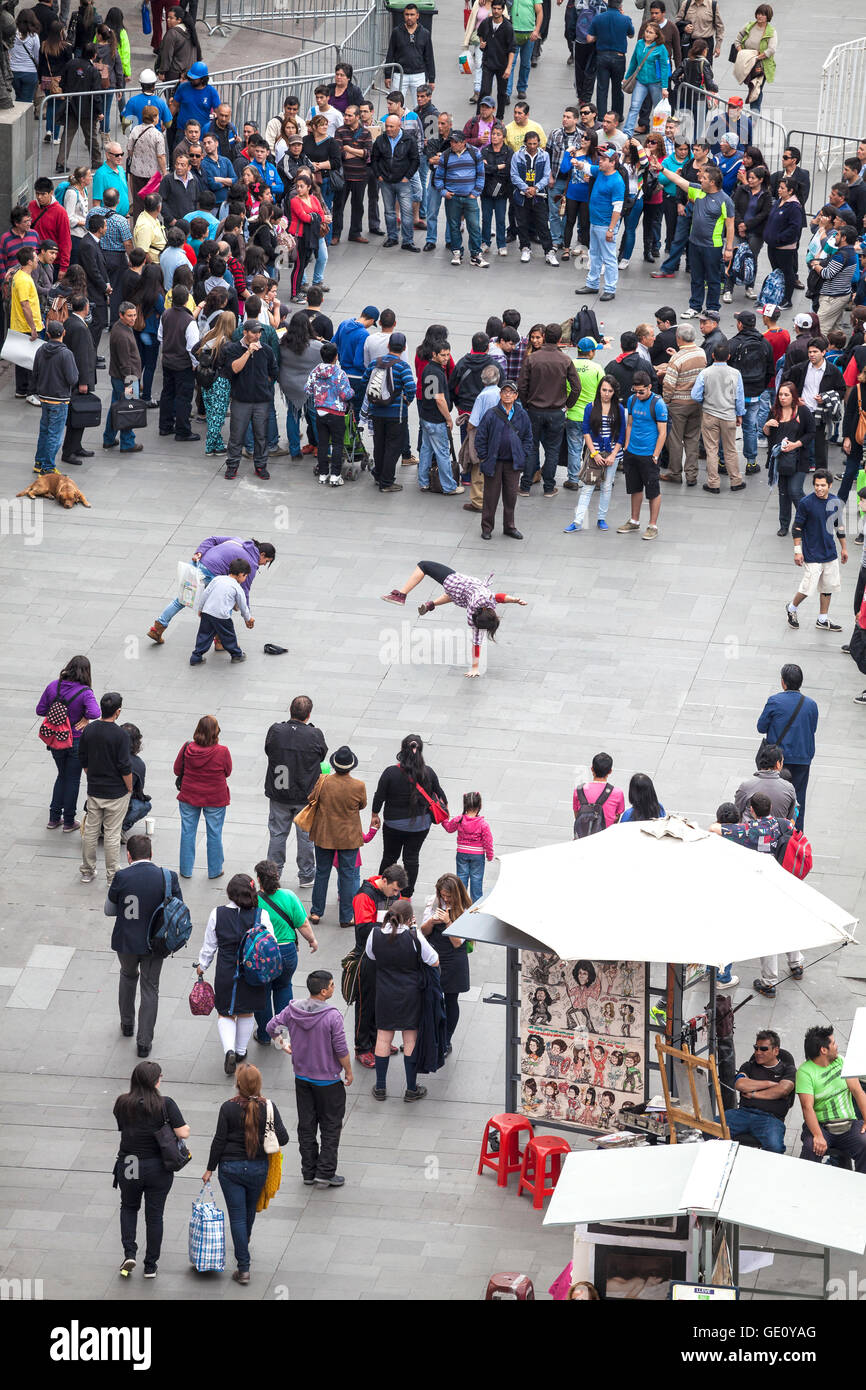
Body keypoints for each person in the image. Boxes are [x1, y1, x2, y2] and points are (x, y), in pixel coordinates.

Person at [201, 1063, 289, 1284]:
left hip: (230, 1169)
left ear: (238, 1084)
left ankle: (244, 1268)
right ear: (259, 1084)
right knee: (249, 1212)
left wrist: (210, 1168)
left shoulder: (228, 1107)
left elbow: (219, 1140)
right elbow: (284, 1138)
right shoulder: (268, 1106)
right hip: (258, 1168)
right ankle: (244, 1242)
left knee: (237, 1217)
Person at [264, 970, 351, 1190]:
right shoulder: (332, 1016)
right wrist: (348, 1070)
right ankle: (325, 1172)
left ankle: (309, 1171)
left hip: (302, 1078)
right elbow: (340, 1049)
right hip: (328, 1081)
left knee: (307, 1125)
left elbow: (271, 1027)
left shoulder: (293, 1010)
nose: (333, 988)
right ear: (323, 991)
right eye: (332, 985)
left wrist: (282, 1044)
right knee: (331, 1125)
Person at [381, 561, 526, 678]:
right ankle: (432, 604)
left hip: (455, 583)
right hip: (460, 598)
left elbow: (499, 597)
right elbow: (476, 644)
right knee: (453, 594)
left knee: (424, 565)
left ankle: (401, 595)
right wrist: (475, 668)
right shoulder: (473, 619)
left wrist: (515, 600)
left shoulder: (484, 598)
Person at [106, 834, 180, 1057]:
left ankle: (127, 1024)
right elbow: (178, 909)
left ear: (128, 856)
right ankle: (144, 1043)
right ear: (151, 854)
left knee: (127, 977)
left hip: (126, 942)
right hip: (155, 945)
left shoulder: (121, 876)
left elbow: (109, 910)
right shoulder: (168, 877)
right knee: (150, 988)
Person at [113, 1061, 189, 1279]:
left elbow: (123, 1127)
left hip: (129, 1162)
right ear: (156, 1081)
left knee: (128, 1207)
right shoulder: (166, 1104)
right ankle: (150, 1265)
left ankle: (129, 1253)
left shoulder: (122, 1103)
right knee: (154, 1216)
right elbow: (183, 1133)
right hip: (158, 1165)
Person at [195, 876, 278, 1075]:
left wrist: (202, 966)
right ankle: (241, 1051)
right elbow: (271, 941)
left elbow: (210, 945)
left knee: (225, 1012)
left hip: (226, 971)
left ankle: (229, 1050)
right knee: (247, 1011)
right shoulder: (261, 914)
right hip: (253, 973)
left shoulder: (217, 914)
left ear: (230, 893)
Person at [366, 897, 439, 1102]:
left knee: (383, 1037)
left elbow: (371, 956)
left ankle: (380, 1087)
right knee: (410, 1039)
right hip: (410, 993)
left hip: (385, 992)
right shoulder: (414, 937)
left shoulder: (374, 934)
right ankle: (411, 1088)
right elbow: (434, 960)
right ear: (409, 919)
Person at [370, 733, 447, 896]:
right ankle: (406, 895)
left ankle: (382, 890)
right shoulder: (429, 773)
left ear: (402, 750)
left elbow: (379, 796)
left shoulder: (390, 772)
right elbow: (442, 797)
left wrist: (375, 814)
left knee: (390, 857)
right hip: (420, 825)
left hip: (393, 824)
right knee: (412, 858)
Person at [252, 859, 318, 1046]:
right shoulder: (289, 896)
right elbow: (303, 923)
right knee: (283, 987)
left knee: (262, 993)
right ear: (277, 877)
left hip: (262, 954)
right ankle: (281, 1033)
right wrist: (312, 940)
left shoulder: (254, 900)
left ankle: (265, 1035)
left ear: (259, 879)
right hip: (287, 953)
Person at [263, 695, 327, 887]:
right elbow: (322, 754)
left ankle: (273, 875)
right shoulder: (314, 734)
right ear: (308, 715)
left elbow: (268, 749)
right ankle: (306, 875)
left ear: (290, 709)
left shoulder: (276, 730)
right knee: (306, 836)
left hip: (279, 792)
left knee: (277, 834)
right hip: (305, 794)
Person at [36, 655, 100, 833]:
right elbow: (95, 712)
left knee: (61, 775)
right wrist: (85, 717)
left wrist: (57, 713)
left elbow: (40, 710)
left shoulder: (53, 686)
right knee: (72, 779)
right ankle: (69, 821)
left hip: (56, 739)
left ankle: (53, 818)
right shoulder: (85, 692)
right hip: (76, 740)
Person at [517, 322, 579, 496]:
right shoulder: (565, 360)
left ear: (544, 337)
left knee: (531, 447)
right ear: (560, 339)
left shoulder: (532, 358)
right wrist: (568, 404)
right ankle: (549, 488)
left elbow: (521, 386)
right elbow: (576, 388)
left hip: (534, 410)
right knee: (552, 450)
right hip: (556, 411)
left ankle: (525, 486)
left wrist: (527, 403)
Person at [78, 691, 133, 886]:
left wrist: (91, 774)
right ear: (117, 712)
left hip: (94, 790)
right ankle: (112, 876)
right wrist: (129, 788)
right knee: (112, 834)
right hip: (116, 792)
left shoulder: (89, 730)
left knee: (91, 831)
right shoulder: (121, 735)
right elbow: (125, 767)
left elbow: (83, 758)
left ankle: (87, 870)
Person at [796, 1025, 866, 1173]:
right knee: (811, 1147)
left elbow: (858, 1091)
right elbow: (807, 1107)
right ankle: (804, 1184)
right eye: (833, 1043)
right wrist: (818, 1135)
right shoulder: (805, 1072)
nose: (837, 1046)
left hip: (849, 1125)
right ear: (823, 1050)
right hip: (822, 1126)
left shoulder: (841, 1061)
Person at [756, 666, 817, 832]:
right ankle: (796, 836)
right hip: (802, 758)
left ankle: (772, 832)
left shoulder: (775, 701)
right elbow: (813, 728)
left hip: (778, 759)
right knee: (798, 799)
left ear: (783, 682)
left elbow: (761, 727)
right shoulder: (811, 704)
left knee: (773, 796)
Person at [786, 469, 848, 634]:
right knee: (808, 588)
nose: (819, 488)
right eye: (816, 485)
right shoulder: (806, 503)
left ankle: (822, 619)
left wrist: (844, 548)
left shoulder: (835, 502)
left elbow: (839, 526)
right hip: (812, 553)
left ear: (830, 485)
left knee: (828, 587)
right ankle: (792, 608)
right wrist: (797, 551)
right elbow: (797, 528)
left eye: (822, 485)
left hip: (830, 552)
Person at [565, 371, 626, 532]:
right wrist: (594, 453)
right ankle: (578, 521)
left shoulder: (619, 409)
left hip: (613, 455)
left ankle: (601, 518)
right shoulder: (590, 407)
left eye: (610, 391)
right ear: (599, 389)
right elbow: (586, 431)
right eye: (604, 390)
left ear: (614, 392)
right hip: (595, 455)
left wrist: (613, 455)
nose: (606, 394)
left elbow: (621, 434)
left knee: (607, 486)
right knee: (588, 486)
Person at [173, 714, 231, 879]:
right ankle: (215, 870)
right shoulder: (223, 751)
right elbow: (228, 772)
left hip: (189, 795)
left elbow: (177, 770)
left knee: (187, 832)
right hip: (215, 797)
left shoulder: (187, 748)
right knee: (214, 833)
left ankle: (186, 870)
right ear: (216, 732)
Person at [420, 874, 472, 1055]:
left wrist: (448, 922)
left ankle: (446, 1040)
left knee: (450, 1000)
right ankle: (429, 1037)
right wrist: (431, 921)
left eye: (449, 896)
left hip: (454, 960)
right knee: (430, 999)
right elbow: (423, 932)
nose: (446, 899)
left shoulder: (466, 910)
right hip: (435, 956)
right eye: (443, 895)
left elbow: (458, 942)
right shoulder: (433, 904)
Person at [476, 378, 533, 539]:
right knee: (490, 497)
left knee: (511, 497)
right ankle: (487, 528)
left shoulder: (522, 414)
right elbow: (481, 437)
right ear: (500, 394)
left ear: (516, 396)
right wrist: (484, 457)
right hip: (493, 462)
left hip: (513, 463)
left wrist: (523, 453)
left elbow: (528, 437)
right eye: (504, 392)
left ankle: (509, 526)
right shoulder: (491, 414)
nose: (507, 395)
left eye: (511, 392)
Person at [361, 332, 416, 493]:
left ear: (388, 346)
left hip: (376, 412)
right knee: (393, 447)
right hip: (396, 414)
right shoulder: (402, 366)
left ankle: (378, 474)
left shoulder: (375, 363)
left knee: (379, 444)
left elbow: (365, 381)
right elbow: (411, 387)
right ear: (404, 347)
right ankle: (386, 482)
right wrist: (407, 400)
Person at [724, 1031, 796, 1153]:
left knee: (775, 1147)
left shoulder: (788, 1069)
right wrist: (768, 1083)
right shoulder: (749, 1066)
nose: (758, 1052)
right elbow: (740, 1084)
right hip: (742, 1114)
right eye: (756, 1048)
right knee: (710, 1129)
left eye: (763, 1049)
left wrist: (753, 1094)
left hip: (770, 1118)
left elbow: (783, 1090)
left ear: (776, 1051)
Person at [617, 370, 667, 540]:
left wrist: (655, 455)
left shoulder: (658, 404)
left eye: (641, 391)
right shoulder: (632, 401)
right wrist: (626, 446)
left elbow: (662, 433)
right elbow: (630, 424)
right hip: (632, 452)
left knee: (653, 491)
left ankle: (652, 525)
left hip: (649, 454)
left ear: (650, 387)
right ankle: (634, 520)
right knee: (634, 488)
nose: (637, 394)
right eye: (635, 391)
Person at [691, 341, 746, 493]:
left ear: (713, 355)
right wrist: (739, 414)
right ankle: (736, 480)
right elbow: (739, 397)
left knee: (711, 450)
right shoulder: (735, 373)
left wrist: (706, 400)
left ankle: (713, 483)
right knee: (730, 449)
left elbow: (695, 395)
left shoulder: (705, 373)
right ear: (728, 356)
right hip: (728, 415)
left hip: (709, 414)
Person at [786, 336, 846, 470]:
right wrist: (795, 398)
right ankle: (800, 468)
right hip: (802, 412)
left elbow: (841, 390)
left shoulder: (832, 370)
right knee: (800, 442)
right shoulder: (800, 368)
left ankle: (821, 473)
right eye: (809, 352)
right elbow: (787, 384)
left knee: (820, 445)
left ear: (824, 352)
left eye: (815, 352)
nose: (811, 355)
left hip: (821, 414)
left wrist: (825, 398)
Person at [766, 381, 814, 538]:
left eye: (786, 394)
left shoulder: (803, 411)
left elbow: (811, 432)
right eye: (780, 394)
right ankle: (784, 525)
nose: (782, 397)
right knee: (783, 493)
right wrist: (766, 426)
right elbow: (769, 436)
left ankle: (808, 519)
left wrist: (796, 445)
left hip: (799, 458)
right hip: (780, 460)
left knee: (795, 490)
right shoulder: (774, 412)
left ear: (793, 396)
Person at [30, 320, 79, 475]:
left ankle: (39, 462)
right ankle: (48, 468)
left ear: (48, 334)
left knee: (44, 431)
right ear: (63, 333)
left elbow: (35, 372)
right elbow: (72, 379)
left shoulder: (40, 350)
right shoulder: (66, 354)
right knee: (55, 435)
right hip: (59, 400)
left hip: (44, 397)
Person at [659, 323, 705, 486]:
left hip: (678, 404)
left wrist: (666, 401)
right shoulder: (701, 353)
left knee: (675, 439)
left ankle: (675, 473)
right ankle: (692, 475)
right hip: (696, 403)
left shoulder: (676, 359)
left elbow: (669, 384)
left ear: (678, 338)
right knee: (692, 439)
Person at [579, 144, 625, 301]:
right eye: (600, 158)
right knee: (595, 254)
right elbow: (586, 167)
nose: (600, 161)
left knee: (609, 257)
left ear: (613, 162)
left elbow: (618, 208)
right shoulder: (600, 171)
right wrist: (577, 162)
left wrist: (611, 229)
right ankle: (592, 284)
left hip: (605, 224)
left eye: (604, 159)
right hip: (595, 222)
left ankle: (610, 288)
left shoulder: (617, 181)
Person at [304, 340, 353, 484]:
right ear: (336, 357)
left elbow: (307, 389)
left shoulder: (315, 371)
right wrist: (352, 391)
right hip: (336, 413)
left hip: (320, 412)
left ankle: (323, 474)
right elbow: (346, 395)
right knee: (337, 444)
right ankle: (335, 475)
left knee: (323, 444)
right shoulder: (340, 373)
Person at [190, 558, 254, 665]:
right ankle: (237, 655)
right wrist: (248, 618)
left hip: (207, 612)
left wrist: (200, 609)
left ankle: (196, 657)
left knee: (204, 635)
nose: (245, 578)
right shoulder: (237, 588)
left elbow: (205, 594)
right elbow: (243, 606)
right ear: (241, 574)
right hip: (221, 616)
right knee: (229, 636)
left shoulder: (217, 579)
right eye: (246, 576)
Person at [371, 113, 420, 252]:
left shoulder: (409, 140)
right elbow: (374, 159)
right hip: (386, 182)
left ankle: (408, 241)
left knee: (407, 212)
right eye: (387, 126)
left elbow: (415, 160)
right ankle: (392, 237)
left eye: (391, 126)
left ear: (399, 126)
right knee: (389, 212)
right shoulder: (380, 140)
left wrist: (407, 177)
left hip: (403, 182)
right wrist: (379, 176)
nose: (388, 129)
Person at [563, 336, 606, 490]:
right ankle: (593, 479)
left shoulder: (570, 364)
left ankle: (573, 480)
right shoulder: (597, 368)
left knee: (574, 448)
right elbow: (604, 390)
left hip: (573, 414)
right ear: (591, 352)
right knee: (593, 448)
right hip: (592, 415)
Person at [511, 130, 556, 265]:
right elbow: (514, 175)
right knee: (522, 223)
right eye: (529, 143)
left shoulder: (545, 156)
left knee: (542, 223)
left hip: (539, 196)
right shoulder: (517, 156)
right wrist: (525, 188)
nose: (532, 146)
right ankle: (525, 248)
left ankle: (549, 251)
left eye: (535, 144)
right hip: (521, 195)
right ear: (525, 143)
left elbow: (546, 175)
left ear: (538, 143)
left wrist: (535, 188)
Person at [621, 21, 670, 139]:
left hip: (656, 83)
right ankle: (627, 132)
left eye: (650, 32)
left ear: (656, 35)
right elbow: (634, 62)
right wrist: (627, 77)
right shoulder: (639, 44)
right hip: (641, 81)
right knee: (634, 106)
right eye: (646, 31)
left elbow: (664, 68)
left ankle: (661, 134)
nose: (647, 34)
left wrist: (664, 87)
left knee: (659, 109)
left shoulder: (661, 48)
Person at [587, 0, 634, 121]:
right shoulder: (625, 19)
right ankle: (617, 115)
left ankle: (602, 116)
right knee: (617, 88)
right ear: (620, 5)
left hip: (602, 56)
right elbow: (631, 34)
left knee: (602, 88)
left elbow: (589, 38)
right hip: (618, 57)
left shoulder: (598, 18)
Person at [442, 792, 494, 901]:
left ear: (465, 805)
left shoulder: (459, 819)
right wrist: (489, 855)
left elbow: (449, 828)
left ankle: (460, 905)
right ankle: (475, 905)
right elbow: (488, 841)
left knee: (461, 880)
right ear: (480, 806)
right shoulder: (483, 824)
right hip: (477, 856)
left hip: (462, 854)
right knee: (477, 880)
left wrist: (443, 818)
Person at [475, 0, 515, 121]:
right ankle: (479, 117)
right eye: (494, 8)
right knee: (484, 91)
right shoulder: (486, 22)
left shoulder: (508, 27)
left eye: (499, 9)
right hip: (488, 62)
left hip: (502, 65)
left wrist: (508, 68)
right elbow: (480, 33)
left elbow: (512, 49)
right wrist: (482, 43)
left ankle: (499, 118)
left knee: (501, 93)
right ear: (491, 9)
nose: (496, 11)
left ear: (503, 10)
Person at [735, 744, 797, 820]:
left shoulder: (746, 787)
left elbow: (737, 813)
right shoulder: (788, 788)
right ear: (778, 764)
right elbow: (790, 816)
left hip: (750, 831)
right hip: (777, 831)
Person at [732, 4, 776, 112]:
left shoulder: (771, 32)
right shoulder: (749, 26)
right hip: (746, 61)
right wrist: (742, 53)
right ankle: (754, 112)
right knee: (752, 87)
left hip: (761, 65)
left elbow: (771, 50)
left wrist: (756, 58)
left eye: (763, 14)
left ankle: (754, 112)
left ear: (768, 17)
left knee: (756, 87)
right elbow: (737, 40)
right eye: (758, 13)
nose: (759, 16)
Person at [573, 752, 625, 832]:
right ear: (610, 771)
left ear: (592, 769)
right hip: (606, 837)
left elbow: (577, 815)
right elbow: (616, 818)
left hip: (583, 838)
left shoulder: (579, 790)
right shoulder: (617, 793)